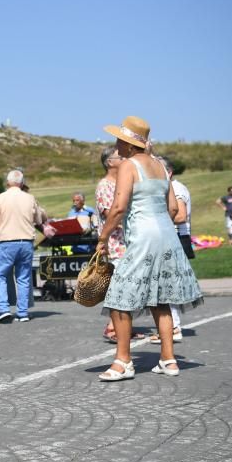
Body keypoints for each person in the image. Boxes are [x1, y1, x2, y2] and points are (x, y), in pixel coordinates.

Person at [95, 116, 202, 381]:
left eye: (120, 139)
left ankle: (123, 362)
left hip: (143, 236)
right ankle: (168, 359)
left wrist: (103, 237)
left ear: (130, 144)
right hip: (167, 235)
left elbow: (118, 207)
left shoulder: (129, 166)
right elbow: (174, 208)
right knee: (161, 298)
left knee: (120, 300)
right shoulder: (160, 166)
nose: (117, 143)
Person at [0, 170, 47, 323]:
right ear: (22, 182)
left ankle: (4, 309)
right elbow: (39, 219)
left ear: (8, 183)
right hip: (26, 242)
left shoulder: (1, 198)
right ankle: (23, 312)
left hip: (6, 242)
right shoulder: (29, 198)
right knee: (24, 278)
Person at [149, 156, 193, 345]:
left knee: (167, 284)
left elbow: (181, 215)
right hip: (171, 237)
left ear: (169, 172)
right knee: (164, 284)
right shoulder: (169, 187)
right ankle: (170, 326)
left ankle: (173, 327)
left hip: (175, 237)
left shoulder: (176, 188)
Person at [95, 146, 131, 342]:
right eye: (120, 157)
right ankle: (112, 327)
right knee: (118, 287)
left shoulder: (121, 183)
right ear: (110, 162)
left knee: (124, 287)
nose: (124, 158)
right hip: (115, 244)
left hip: (126, 243)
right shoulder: (105, 185)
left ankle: (121, 327)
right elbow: (111, 213)